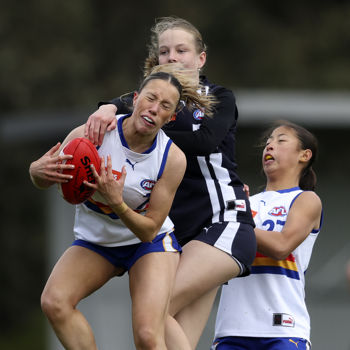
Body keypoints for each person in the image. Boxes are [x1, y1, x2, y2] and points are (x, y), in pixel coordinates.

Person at [84, 16, 257, 349]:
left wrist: (143, 124)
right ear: (155, 60)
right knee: (167, 335)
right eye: (164, 52)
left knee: (153, 312)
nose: (173, 57)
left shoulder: (218, 97)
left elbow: (205, 142)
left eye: (182, 50)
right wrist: (107, 107)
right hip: (180, 236)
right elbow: (122, 109)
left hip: (224, 225)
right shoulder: (147, 102)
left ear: (200, 58)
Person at [29, 63, 215, 350]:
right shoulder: (91, 134)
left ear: (171, 117)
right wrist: (36, 172)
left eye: (165, 106)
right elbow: (50, 178)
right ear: (136, 98)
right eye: (151, 98)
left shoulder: (172, 159)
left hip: (149, 243)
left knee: (148, 336)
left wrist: (117, 202)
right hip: (99, 240)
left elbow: (149, 230)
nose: (154, 108)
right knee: (55, 302)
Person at [212, 121, 323, 350]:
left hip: (283, 328)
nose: (270, 146)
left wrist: (237, 221)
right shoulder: (244, 204)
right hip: (231, 328)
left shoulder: (306, 199)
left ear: (304, 155)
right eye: (268, 142)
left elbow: (282, 246)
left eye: (281, 140)